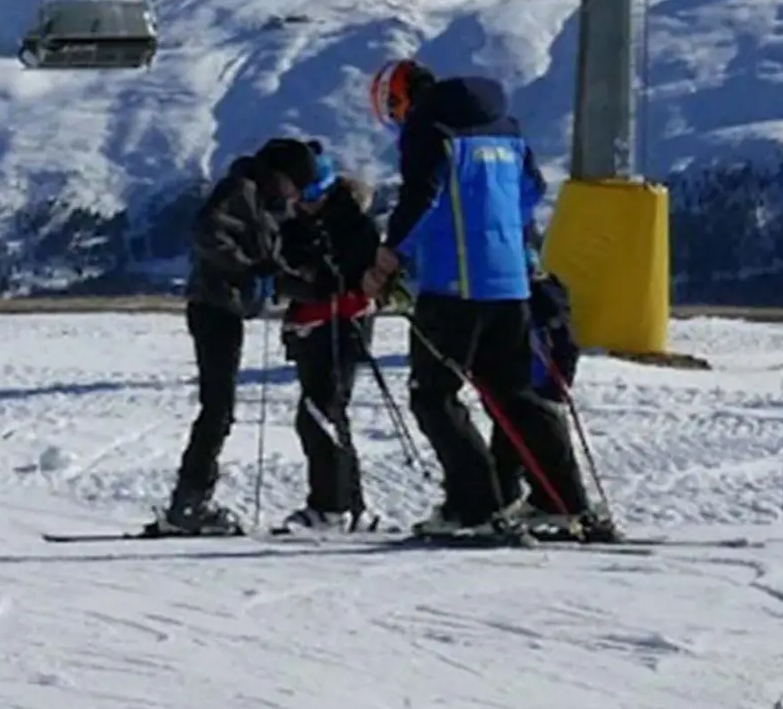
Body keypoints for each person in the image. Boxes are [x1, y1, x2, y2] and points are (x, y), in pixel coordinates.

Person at [366, 57, 603, 539]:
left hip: (453, 285)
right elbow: (531, 192)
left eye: (391, 108)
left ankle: (474, 505)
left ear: (400, 99)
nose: (394, 120)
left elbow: (422, 197)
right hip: (509, 282)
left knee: (433, 395)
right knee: (512, 394)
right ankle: (562, 499)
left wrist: (388, 257)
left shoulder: (429, 130)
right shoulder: (506, 128)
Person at [156, 136, 314, 533]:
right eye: (295, 184)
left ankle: (190, 502)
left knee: (219, 407)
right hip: (213, 306)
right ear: (280, 175)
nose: (296, 194)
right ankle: (188, 504)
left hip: (226, 308)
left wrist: (304, 285)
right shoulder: (240, 190)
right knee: (218, 408)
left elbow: (269, 264)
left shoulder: (261, 200)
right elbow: (208, 233)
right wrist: (246, 269)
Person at [274, 146, 383, 528]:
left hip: (342, 326)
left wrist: (304, 281)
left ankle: (336, 506)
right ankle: (343, 505)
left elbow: (339, 281)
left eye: (308, 196)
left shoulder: (354, 226)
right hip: (312, 328)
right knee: (320, 412)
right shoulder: (299, 225)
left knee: (322, 413)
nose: (302, 204)